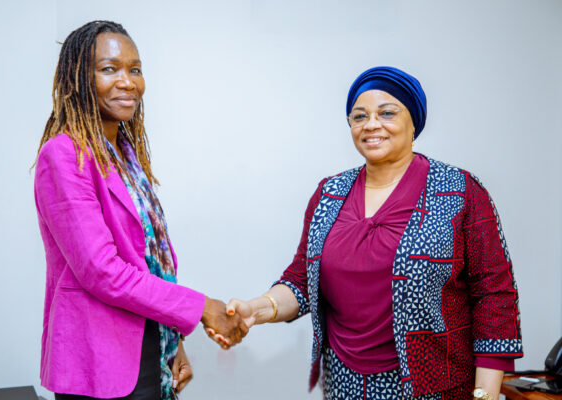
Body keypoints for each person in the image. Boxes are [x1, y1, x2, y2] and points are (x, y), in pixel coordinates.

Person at [218, 66, 523, 400]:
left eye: (387, 113)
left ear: (413, 122)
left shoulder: (458, 191)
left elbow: (494, 294)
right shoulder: (329, 194)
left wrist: (485, 394)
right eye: (359, 116)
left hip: (436, 387)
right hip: (345, 385)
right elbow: (303, 280)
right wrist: (256, 309)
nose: (371, 124)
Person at [33, 20, 247, 400]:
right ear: (79, 79)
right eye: (109, 69)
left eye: (135, 70)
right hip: (98, 363)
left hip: (148, 349)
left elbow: (149, 262)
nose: (127, 82)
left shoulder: (126, 156)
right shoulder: (64, 154)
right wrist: (201, 307)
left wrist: (172, 339)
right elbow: (102, 271)